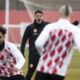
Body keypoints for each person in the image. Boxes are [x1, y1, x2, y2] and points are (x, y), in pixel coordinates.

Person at [35, 5, 80, 80]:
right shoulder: (75, 30)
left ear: (60, 12)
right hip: (59, 71)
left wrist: (44, 55)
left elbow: (38, 44)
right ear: (71, 13)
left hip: (43, 68)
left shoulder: (50, 27)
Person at [20, 10, 49, 80]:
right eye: (37, 16)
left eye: (40, 16)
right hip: (33, 55)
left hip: (44, 55)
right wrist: (22, 53)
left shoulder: (47, 26)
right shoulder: (30, 27)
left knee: (45, 75)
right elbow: (23, 41)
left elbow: (59, 26)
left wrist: (72, 24)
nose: (39, 17)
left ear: (43, 17)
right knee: (30, 73)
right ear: (34, 17)